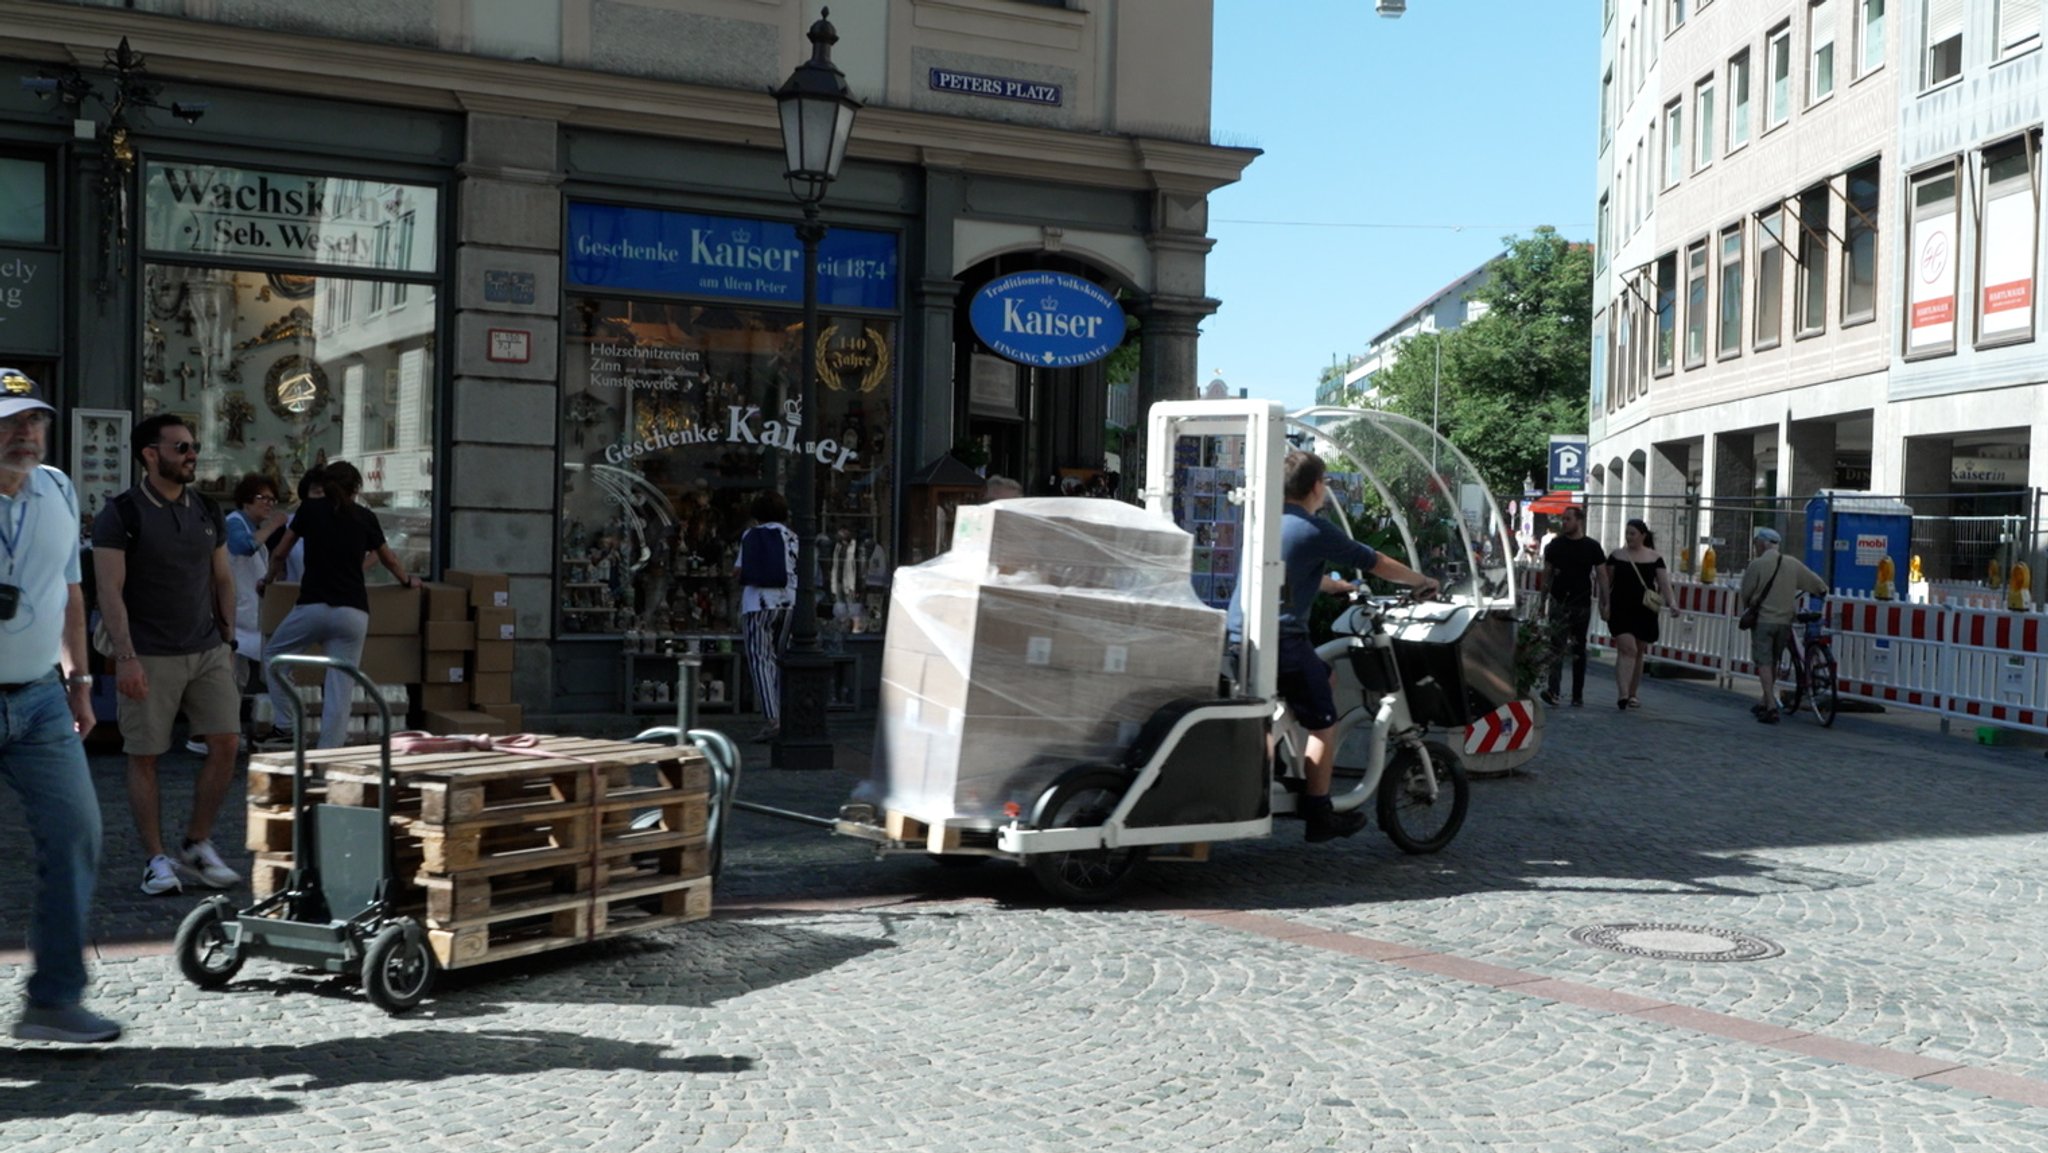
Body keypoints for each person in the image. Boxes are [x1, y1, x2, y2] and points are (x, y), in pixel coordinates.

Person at [1226, 450, 1439, 842]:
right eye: (1324, 483)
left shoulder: (1264, 524)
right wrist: (1420, 580)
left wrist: (1337, 586)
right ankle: (1318, 808)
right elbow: (1375, 561)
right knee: (1325, 719)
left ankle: (1279, 764)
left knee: (1321, 677)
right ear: (1315, 487)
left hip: (1242, 636)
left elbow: (1286, 574)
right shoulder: (1313, 528)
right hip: (1283, 641)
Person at [0, 369, 121, 1043]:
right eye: (11, 419)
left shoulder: (57, 488)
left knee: (77, 832)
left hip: (43, 697)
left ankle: (52, 1002)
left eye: (34, 419)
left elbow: (71, 593)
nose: (25, 431)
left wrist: (79, 679)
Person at [92, 414, 243, 897]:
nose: (191, 454)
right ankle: (156, 860)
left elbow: (222, 577)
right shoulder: (122, 513)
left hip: (207, 649)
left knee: (226, 744)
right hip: (149, 653)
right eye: (180, 448)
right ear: (150, 455)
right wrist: (127, 657)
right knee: (146, 757)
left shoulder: (206, 510)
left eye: (193, 445)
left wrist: (229, 637)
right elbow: (109, 591)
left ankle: (197, 842)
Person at [257, 461, 421, 749]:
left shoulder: (309, 510)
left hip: (312, 606)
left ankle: (287, 725)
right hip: (353, 612)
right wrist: (408, 580)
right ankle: (326, 758)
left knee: (274, 657)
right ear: (356, 489)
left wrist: (268, 579)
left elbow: (281, 552)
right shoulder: (366, 517)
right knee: (340, 688)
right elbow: (389, 559)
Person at [1741, 526, 1829, 724]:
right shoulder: (1792, 563)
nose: (1755, 548)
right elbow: (1818, 584)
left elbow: (1746, 593)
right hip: (1784, 623)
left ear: (1763, 544)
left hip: (1764, 621)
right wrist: (1821, 592)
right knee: (1774, 660)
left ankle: (1771, 706)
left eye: (1756, 544)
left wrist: (1749, 605)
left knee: (1763, 662)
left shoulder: (1757, 565)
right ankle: (1765, 700)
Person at [735, 491, 798, 744]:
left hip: (758, 603)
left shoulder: (751, 535)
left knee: (761, 660)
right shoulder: (793, 536)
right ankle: (786, 714)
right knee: (782, 659)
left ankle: (773, 719)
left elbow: (739, 570)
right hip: (789, 602)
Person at [1598, 517, 1675, 711]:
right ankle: (1623, 694)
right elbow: (1606, 583)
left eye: (1632, 533)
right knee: (1627, 649)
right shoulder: (1616, 556)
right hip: (1620, 609)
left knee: (1639, 651)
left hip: (1644, 610)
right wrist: (1604, 604)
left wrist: (1672, 603)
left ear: (1643, 535)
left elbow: (1664, 584)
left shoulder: (1655, 558)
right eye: (1627, 533)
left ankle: (1633, 694)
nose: (1629, 537)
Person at [1539, 505, 1604, 707]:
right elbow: (1547, 574)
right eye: (1563, 519)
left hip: (1581, 602)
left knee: (1579, 648)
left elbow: (1602, 575)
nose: (1564, 522)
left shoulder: (1592, 546)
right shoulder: (1555, 545)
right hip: (1559, 601)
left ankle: (1578, 695)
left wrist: (1605, 601)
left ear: (1579, 521)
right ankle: (1553, 691)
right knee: (1555, 647)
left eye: (1568, 519)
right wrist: (1542, 602)